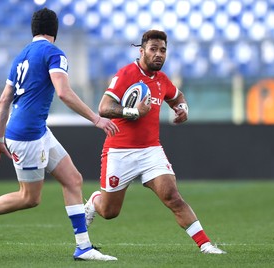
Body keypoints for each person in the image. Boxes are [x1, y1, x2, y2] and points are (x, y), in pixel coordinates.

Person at [0, 7, 119, 261]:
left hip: (34, 130)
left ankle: (83, 247)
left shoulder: (21, 56)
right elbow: (63, 92)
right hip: (28, 136)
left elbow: (3, 101)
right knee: (29, 198)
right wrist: (96, 118)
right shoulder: (54, 53)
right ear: (55, 31)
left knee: (73, 179)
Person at [84, 29, 226, 254]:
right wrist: (133, 112)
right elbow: (104, 108)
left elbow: (177, 96)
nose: (159, 54)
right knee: (110, 212)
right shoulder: (126, 74)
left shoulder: (162, 80)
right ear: (142, 51)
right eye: (153, 49)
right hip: (119, 151)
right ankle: (94, 200)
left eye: (162, 50)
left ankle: (206, 245)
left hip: (151, 150)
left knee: (173, 197)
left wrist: (182, 108)